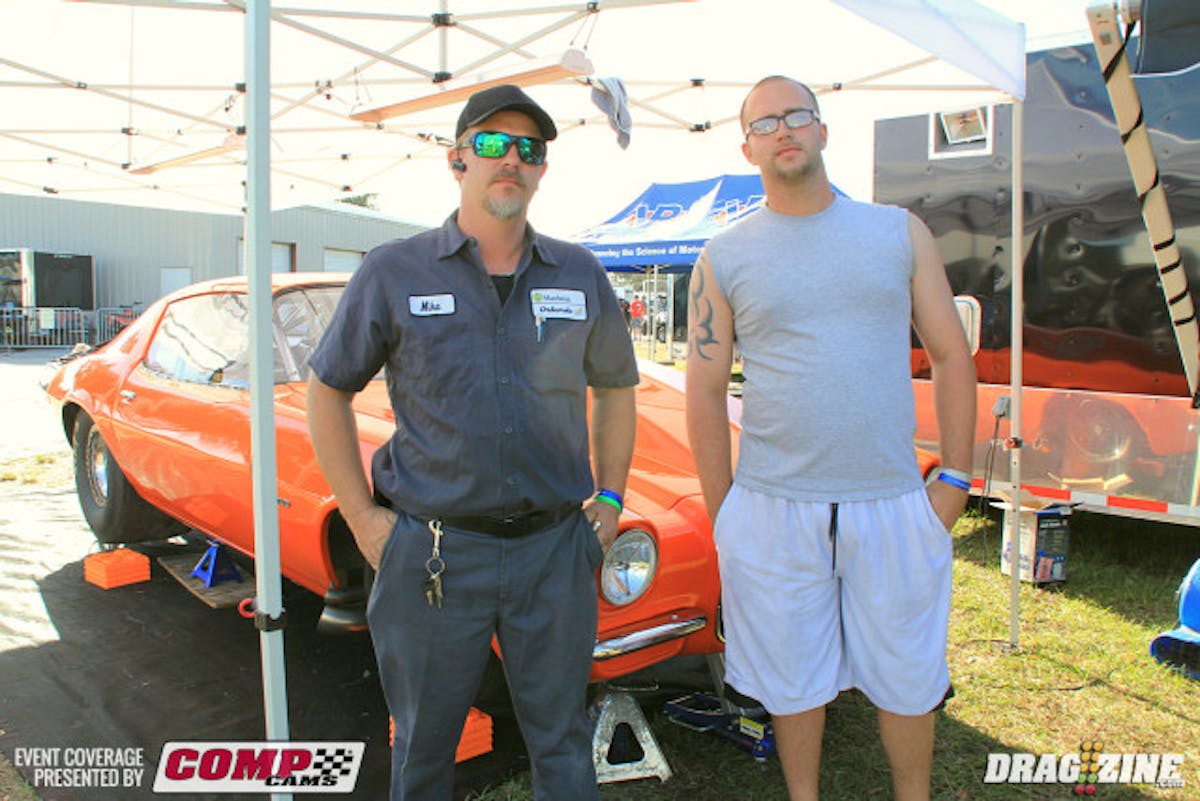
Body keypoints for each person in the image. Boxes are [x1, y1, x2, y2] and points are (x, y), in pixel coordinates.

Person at [306, 84, 638, 801]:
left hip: (554, 553)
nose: (511, 159)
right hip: (432, 556)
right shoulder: (394, 270)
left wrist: (610, 500)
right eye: (492, 143)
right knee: (424, 751)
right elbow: (326, 389)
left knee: (563, 746)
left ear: (542, 168)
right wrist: (364, 520)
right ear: (457, 160)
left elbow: (616, 387)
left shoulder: (579, 274)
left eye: (529, 148)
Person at [685, 75, 976, 801]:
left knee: (907, 676)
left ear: (822, 130)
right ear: (746, 144)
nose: (782, 130)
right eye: (764, 122)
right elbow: (703, 385)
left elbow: (951, 355)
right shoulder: (724, 255)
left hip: (890, 503)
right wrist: (726, 512)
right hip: (775, 509)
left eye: (796, 116)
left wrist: (959, 479)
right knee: (792, 679)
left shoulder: (896, 231)